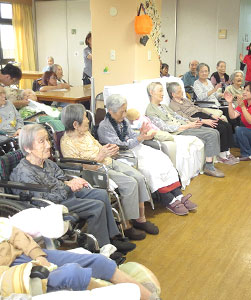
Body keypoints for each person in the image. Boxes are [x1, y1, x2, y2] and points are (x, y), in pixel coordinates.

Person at [10, 124, 135, 253]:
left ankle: (112, 237)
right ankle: (99, 249)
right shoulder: (24, 173)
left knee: (101, 194)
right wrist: (68, 186)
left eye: (47, 140)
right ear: (27, 148)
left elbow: (62, 177)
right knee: (97, 206)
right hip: (52, 205)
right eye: (41, 141)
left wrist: (73, 181)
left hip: (63, 194)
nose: (48, 145)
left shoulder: (46, 162)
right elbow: (42, 200)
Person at [60, 104, 159, 237]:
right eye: (85, 117)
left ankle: (140, 219)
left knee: (139, 177)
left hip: (108, 161)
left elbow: (97, 146)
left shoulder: (85, 133)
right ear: (75, 124)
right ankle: (126, 225)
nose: (88, 120)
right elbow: (79, 168)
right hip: (95, 171)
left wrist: (109, 149)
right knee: (130, 183)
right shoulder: (67, 143)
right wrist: (100, 157)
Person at [98, 94, 197, 216]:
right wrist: (139, 138)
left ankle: (179, 195)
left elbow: (132, 135)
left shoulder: (123, 121)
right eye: (121, 112)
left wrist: (142, 135)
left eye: (125, 111)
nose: (124, 115)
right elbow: (119, 146)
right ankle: (169, 200)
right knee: (151, 168)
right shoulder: (104, 127)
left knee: (162, 159)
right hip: (123, 155)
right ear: (110, 111)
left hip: (136, 148)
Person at [1, 222, 154, 299]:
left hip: (22, 252)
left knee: (99, 260)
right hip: (8, 274)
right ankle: (129, 295)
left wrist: (38, 255)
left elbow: (15, 233)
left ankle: (148, 297)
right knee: (73, 273)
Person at [146, 82, 224, 178]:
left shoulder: (163, 106)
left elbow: (177, 116)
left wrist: (189, 122)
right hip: (178, 131)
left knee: (215, 131)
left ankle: (211, 163)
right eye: (160, 91)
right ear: (152, 92)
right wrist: (187, 126)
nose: (163, 93)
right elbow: (164, 127)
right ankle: (209, 167)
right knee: (211, 134)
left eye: (162, 90)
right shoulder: (150, 111)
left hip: (185, 125)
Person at [167, 82, 238, 165]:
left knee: (227, 125)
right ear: (173, 94)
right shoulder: (173, 105)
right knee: (220, 128)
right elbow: (185, 118)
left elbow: (198, 108)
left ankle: (227, 153)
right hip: (195, 119)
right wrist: (202, 120)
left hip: (201, 115)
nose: (182, 92)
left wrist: (211, 115)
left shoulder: (185, 100)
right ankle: (222, 155)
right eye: (179, 91)